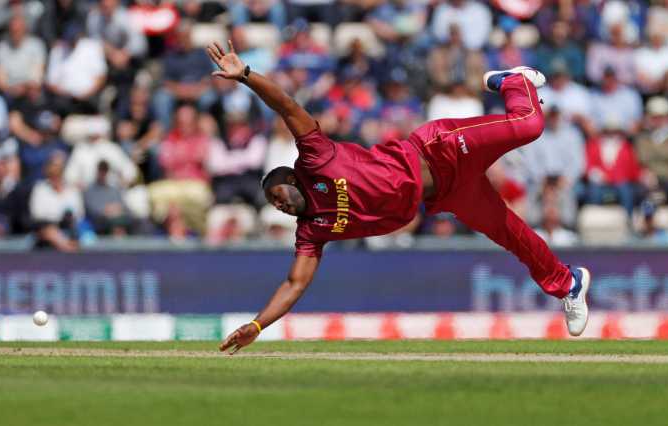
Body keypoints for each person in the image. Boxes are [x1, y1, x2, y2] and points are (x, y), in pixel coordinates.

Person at [206, 42, 591, 354]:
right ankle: (568, 283)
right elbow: (294, 284)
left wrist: (246, 77)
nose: (281, 205)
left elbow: (287, 107)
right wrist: (258, 325)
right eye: (275, 206)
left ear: (291, 176)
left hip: (438, 150)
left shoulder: (315, 158)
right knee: (511, 234)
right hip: (447, 192)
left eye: (279, 195)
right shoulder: (312, 230)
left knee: (529, 124)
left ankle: (512, 82)